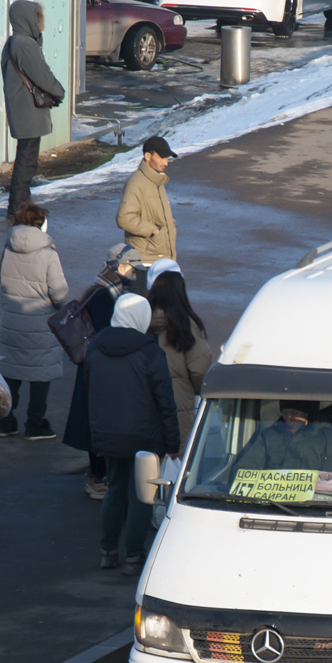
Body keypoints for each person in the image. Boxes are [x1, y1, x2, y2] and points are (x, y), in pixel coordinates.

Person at [84, 293, 179, 573]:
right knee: (141, 495)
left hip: (108, 434)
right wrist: (173, 443)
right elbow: (165, 401)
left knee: (114, 490)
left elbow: (89, 390)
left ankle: (107, 551)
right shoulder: (151, 352)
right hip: (144, 438)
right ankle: (134, 556)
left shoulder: (95, 348)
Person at [65, 244, 143, 500]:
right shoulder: (104, 296)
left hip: (93, 367)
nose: (135, 273)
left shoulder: (103, 289)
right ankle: (98, 480)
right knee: (96, 424)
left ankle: (96, 478)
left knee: (93, 423)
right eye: (132, 267)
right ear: (119, 265)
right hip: (96, 370)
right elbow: (107, 334)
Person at [0, 201, 69, 440]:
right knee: (40, 374)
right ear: (41, 225)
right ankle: (35, 424)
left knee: (12, 372)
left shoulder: (7, 247)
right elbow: (59, 294)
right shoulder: (48, 253)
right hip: (40, 323)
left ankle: (5, 421)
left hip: (13, 321)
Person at [1, 0, 66, 220]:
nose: (40, 23)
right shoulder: (24, 44)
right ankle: (17, 208)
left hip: (23, 109)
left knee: (26, 158)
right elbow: (42, 74)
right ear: (27, 19)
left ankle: (21, 204)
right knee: (26, 161)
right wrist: (58, 92)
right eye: (37, 18)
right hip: (27, 110)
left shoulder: (15, 42)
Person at [147, 267, 211, 446]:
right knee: (176, 458)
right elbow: (200, 369)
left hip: (143, 399)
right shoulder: (185, 324)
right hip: (178, 400)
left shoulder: (141, 320)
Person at [116, 136, 178, 263]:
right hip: (145, 261)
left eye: (166, 158)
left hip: (161, 257)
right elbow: (124, 218)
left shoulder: (157, 181)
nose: (166, 163)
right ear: (148, 156)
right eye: (162, 157)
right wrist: (154, 231)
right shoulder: (136, 183)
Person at [235, 404, 332, 475]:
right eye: (285, 413)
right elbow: (246, 467)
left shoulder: (327, 438)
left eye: (294, 413)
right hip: (270, 499)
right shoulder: (268, 436)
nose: (289, 417)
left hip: (311, 501)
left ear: (306, 414)